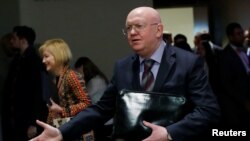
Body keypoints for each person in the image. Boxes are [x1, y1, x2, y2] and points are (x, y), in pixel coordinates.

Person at [30, 6, 220, 141]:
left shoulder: (188, 62)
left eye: (138, 26)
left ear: (158, 30)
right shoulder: (123, 67)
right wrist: (62, 132)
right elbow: (101, 109)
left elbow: (208, 111)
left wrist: (169, 133)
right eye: (128, 28)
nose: (132, 32)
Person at [2, 26, 48, 141]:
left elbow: (37, 93)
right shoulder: (18, 60)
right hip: (17, 117)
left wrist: (33, 122)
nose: (11, 41)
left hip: (25, 117)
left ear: (23, 40)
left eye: (14, 38)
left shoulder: (33, 62)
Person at [38, 39, 92, 136]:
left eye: (46, 56)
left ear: (58, 56)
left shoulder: (71, 76)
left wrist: (61, 110)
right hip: (67, 131)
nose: (43, 60)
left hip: (77, 133)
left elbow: (87, 104)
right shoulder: (57, 78)